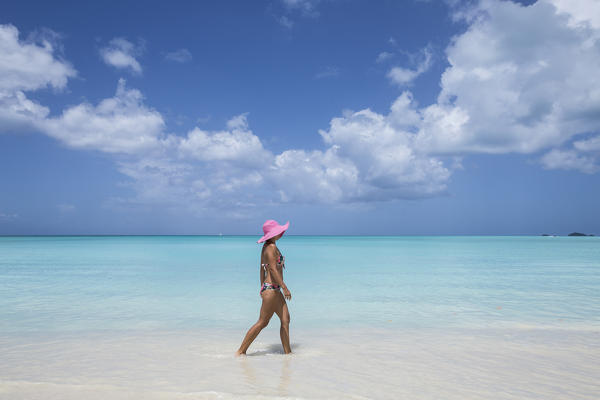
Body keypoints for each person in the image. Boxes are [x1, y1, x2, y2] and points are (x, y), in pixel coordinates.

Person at [236, 220, 292, 356]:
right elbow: (272, 269)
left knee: (285, 319)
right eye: (278, 231)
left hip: (272, 289)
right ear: (273, 234)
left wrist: (262, 287)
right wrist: (284, 287)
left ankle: (288, 354)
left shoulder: (268, 247)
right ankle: (240, 351)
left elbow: (262, 269)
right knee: (262, 322)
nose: (281, 233)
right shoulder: (271, 248)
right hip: (272, 289)